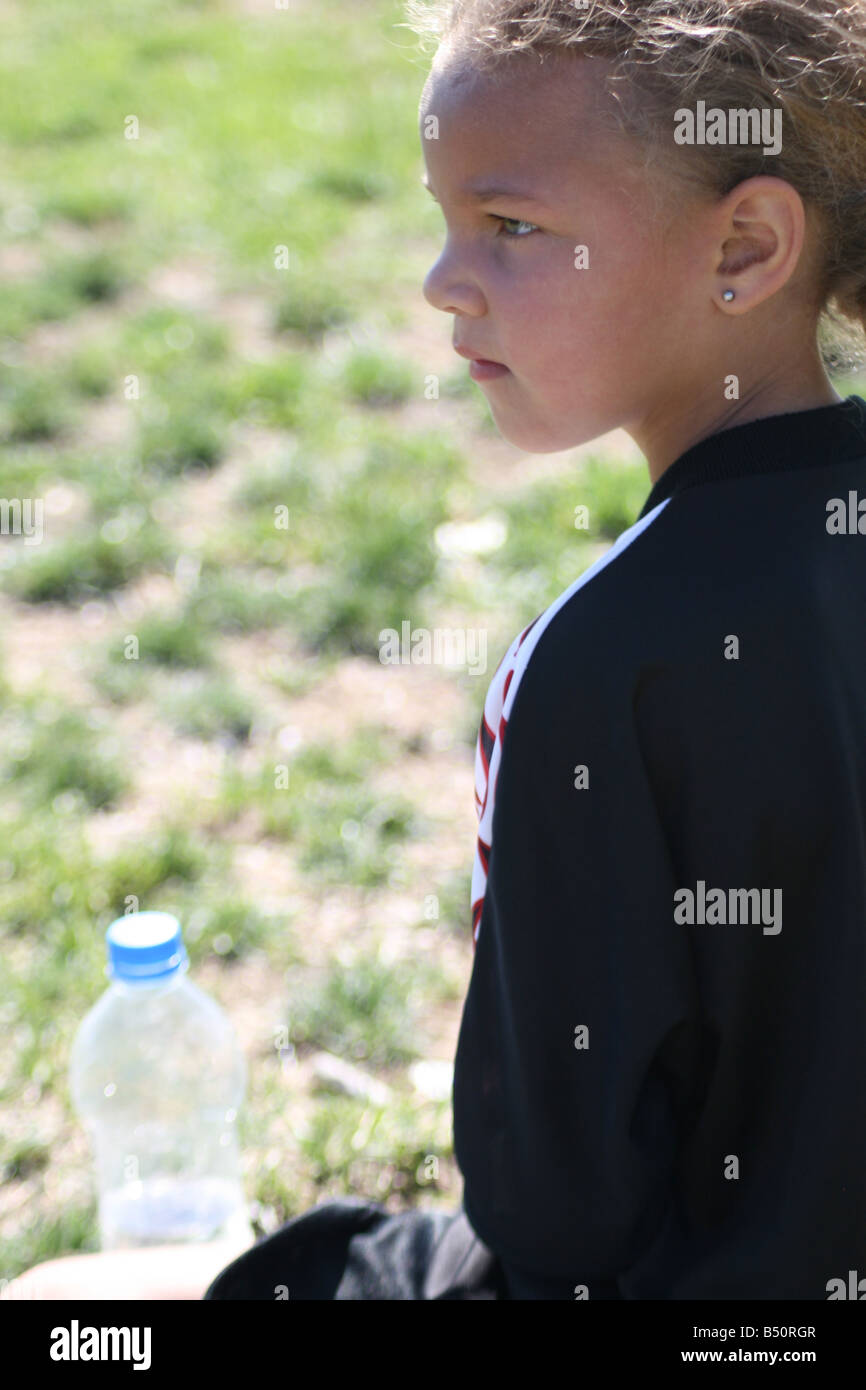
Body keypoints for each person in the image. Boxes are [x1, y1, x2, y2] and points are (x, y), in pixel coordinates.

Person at [10, 0, 866, 1300]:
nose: (439, 280)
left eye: (512, 226)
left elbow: (553, 1213)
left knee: (70, 1307)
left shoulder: (596, 668)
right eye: (443, 217)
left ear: (741, 245)